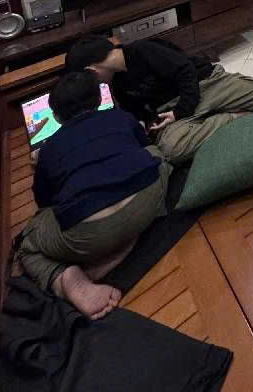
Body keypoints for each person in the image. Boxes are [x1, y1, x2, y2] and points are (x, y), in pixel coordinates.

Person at [18, 71, 172, 320]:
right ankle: (128, 241)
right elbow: (143, 145)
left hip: (88, 234)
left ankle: (63, 278)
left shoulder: (48, 150)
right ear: (100, 99)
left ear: (56, 116)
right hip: (146, 201)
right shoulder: (121, 117)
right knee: (157, 154)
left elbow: (44, 203)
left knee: (28, 245)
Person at [65, 34, 253, 166]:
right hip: (171, 111)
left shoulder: (143, 50)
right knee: (172, 150)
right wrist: (144, 124)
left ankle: (209, 122)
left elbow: (186, 72)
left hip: (205, 84)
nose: (98, 84)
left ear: (92, 70)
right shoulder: (117, 83)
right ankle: (234, 117)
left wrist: (181, 112)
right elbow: (136, 111)